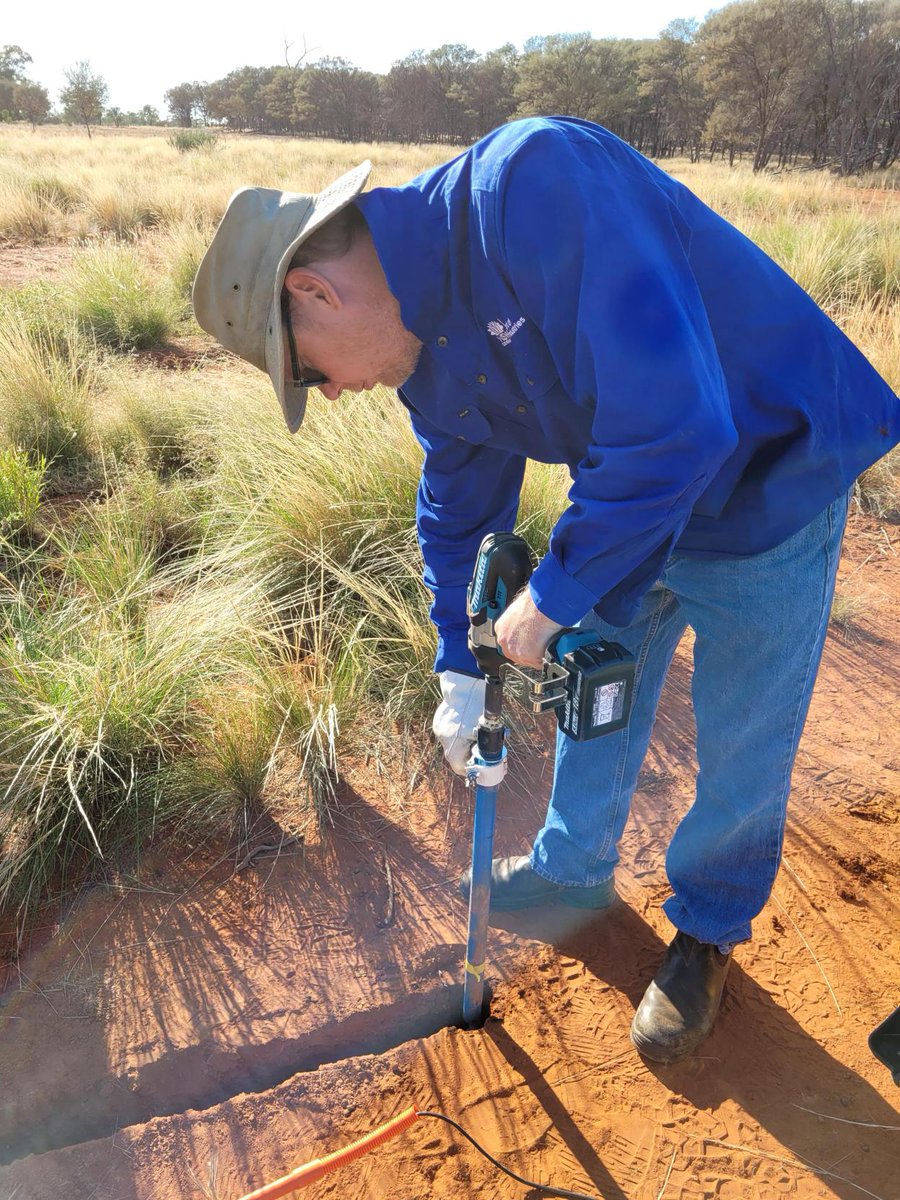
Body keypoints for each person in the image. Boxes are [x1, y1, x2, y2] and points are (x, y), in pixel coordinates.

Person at [193, 117, 898, 1063]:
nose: (327, 393)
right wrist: (459, 659)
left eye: (308, 370)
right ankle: (572, 869)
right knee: (594, 694)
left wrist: (551, 597)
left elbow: (679, 431)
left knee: (744, 730)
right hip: (629, 503)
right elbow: (457, 506)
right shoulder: (420, 346)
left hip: (771, 479)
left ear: (312, 291)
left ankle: (707, 931)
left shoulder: (533, 188)